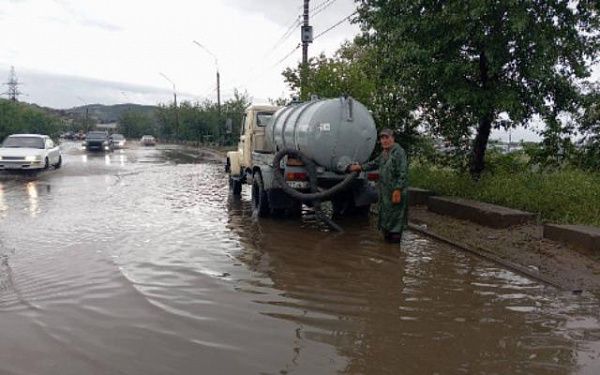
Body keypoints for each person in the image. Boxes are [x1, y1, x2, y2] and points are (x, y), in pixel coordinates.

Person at [348, 128, 408, 243]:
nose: (385, 141)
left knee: (396, 219)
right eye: (382, 138)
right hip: (385, 192)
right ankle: (388, 250)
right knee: (386, 217)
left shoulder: (399, 152)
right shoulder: (384, 153)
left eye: (387, 138)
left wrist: (398, 189)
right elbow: (374, 163)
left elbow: (403, 172)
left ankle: (394, 250)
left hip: (395, 191)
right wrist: (359, 167)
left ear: (393, 138)